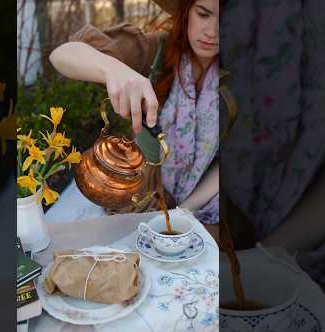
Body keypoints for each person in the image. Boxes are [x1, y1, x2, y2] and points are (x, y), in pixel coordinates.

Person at [48, 0, 219, 224]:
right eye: (204, 14)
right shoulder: (158, 50)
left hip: (205, 200)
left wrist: (182, 212)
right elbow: (61, 55)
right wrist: (112, 68)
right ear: (186, 12)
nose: (212, 32)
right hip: (139, 191)